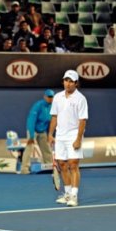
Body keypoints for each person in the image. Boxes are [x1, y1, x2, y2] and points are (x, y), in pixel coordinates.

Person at [48, 70, 88, 207]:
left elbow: (83, 120)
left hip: (73, 135)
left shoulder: (81, 99)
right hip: (60, 135)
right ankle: (67, 193)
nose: (68, 83)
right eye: (66, 80)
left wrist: (78, 139)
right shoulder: (58, 97)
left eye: (71, 81)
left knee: (73, 164)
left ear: (76, 83)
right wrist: (50, 134)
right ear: (63, 81)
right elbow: (54, 117)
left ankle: (74, 196)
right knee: (62, 165)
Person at [20, 89, 55, 175]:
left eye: (52, 97)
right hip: (33, 130)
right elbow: (31, 121)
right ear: (45, 97)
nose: (50, 99)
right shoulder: (37, 106)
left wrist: (49, 135)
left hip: (42, 131)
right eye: (49, 97)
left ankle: (49, 166)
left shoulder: (52, 107)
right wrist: (31, 136)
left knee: (47, 149)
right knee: (29, 148)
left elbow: (50, 122)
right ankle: (24, 169)